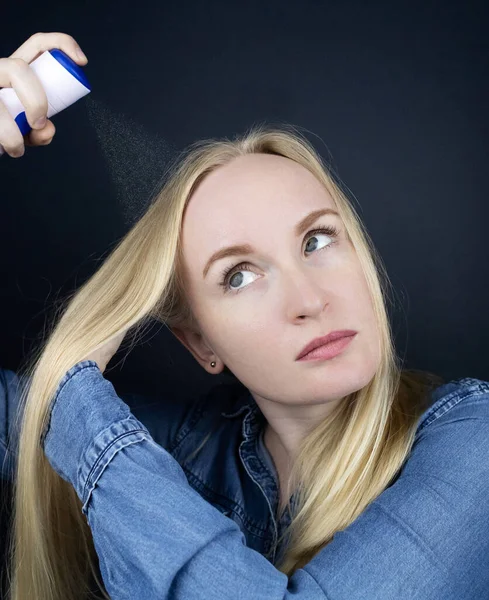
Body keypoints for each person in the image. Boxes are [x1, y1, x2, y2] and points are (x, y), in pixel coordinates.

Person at [1, 31, 488, 600]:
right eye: (239, 275)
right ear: (201, 344)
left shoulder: (472, 441)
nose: (309, 300)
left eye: (317, 240)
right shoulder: (190, 450)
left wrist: (83, 418)